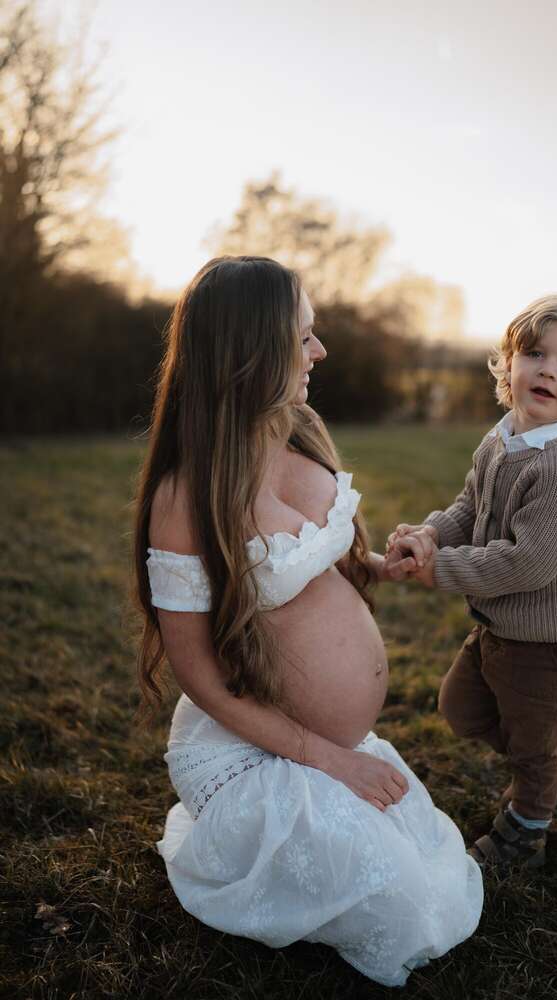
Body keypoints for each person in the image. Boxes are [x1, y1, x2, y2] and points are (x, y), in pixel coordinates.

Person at [133, 256, 483, 988]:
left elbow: (322, 567)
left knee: (428, 877)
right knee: (403, 906)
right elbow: (199, 677)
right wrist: (331, 760)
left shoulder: (296, 435)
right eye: (303, 337)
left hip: (327, 740)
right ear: (250, 351)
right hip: (250, 750)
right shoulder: (186, 495)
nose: (319, 352)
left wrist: (382, 567)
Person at [386, 293, 557, 869]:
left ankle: (525, 832)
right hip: (500, 625)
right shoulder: (503, 437)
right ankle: (550, 751)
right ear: (508, 364)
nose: (546, 369)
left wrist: (440, 570)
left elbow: (526, 563)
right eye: (534, 353)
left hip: (548, 642)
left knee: (531, 754)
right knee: (462, 707)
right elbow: (472, 504)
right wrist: (433, 535)